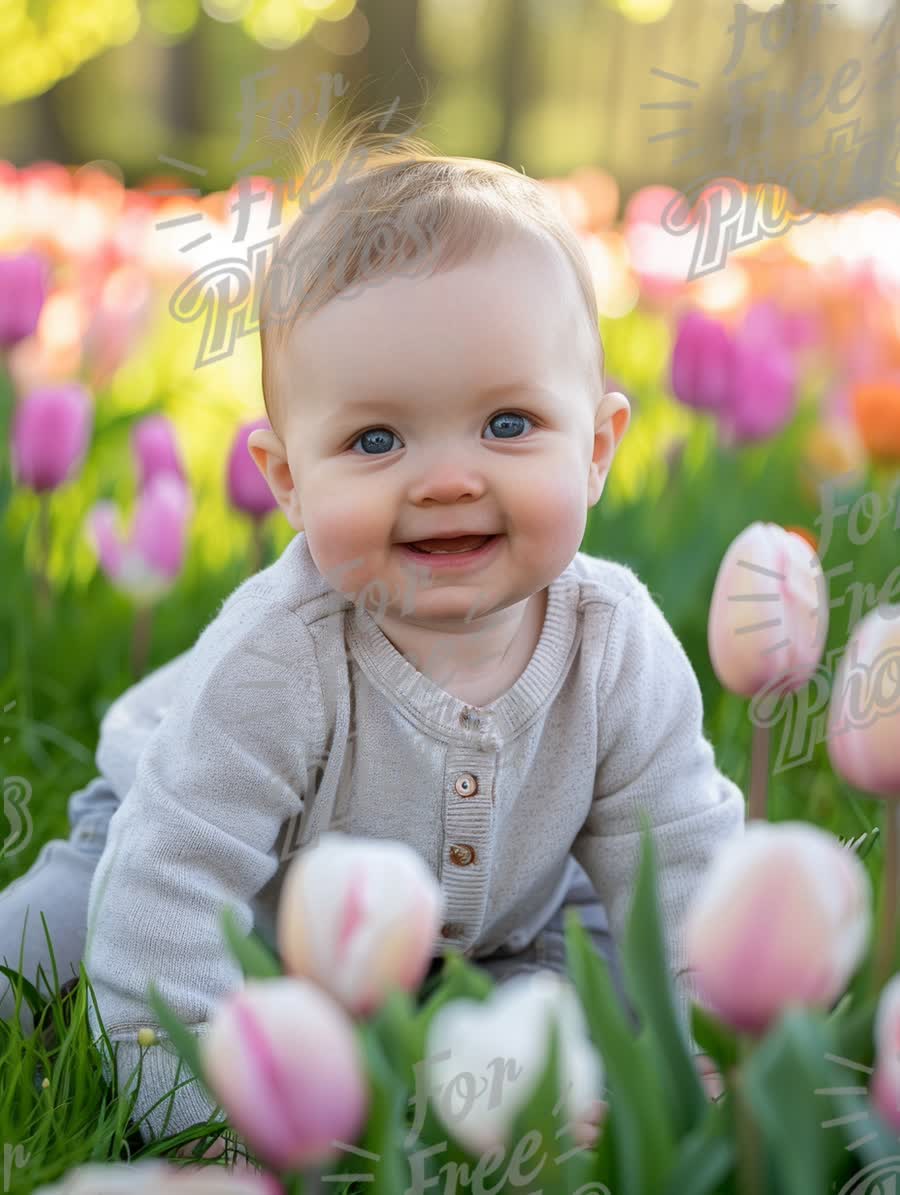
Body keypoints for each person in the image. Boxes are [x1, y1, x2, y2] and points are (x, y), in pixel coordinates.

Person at [1, 113, 740, 1161]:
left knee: (587, 978)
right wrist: (211, 1109)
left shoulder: (613, 645)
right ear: (288, 480)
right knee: (49, 945)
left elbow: (683, 863)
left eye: (509, 423)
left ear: (599, 447)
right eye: (377, 438)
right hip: (184, 849)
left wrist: (705, 1045)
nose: (446, 478)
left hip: (496, 924)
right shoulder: (285, 655)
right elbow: (169, 888)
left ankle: (504, 1081)